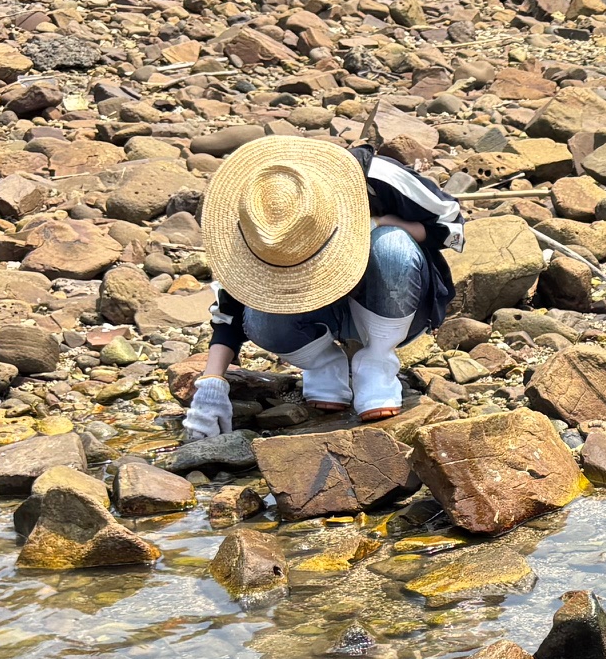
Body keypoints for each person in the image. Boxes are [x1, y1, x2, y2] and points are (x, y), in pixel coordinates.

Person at [183, 134, 459, 439]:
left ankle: (377, 363)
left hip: (391, 303)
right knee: (258, 315)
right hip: (313, 315)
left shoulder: (375, 177)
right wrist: (211, 384)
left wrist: (381, 223)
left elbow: (451, 227)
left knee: (392, 245)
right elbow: (230, 310)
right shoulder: (252, 213)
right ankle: (324, 364)